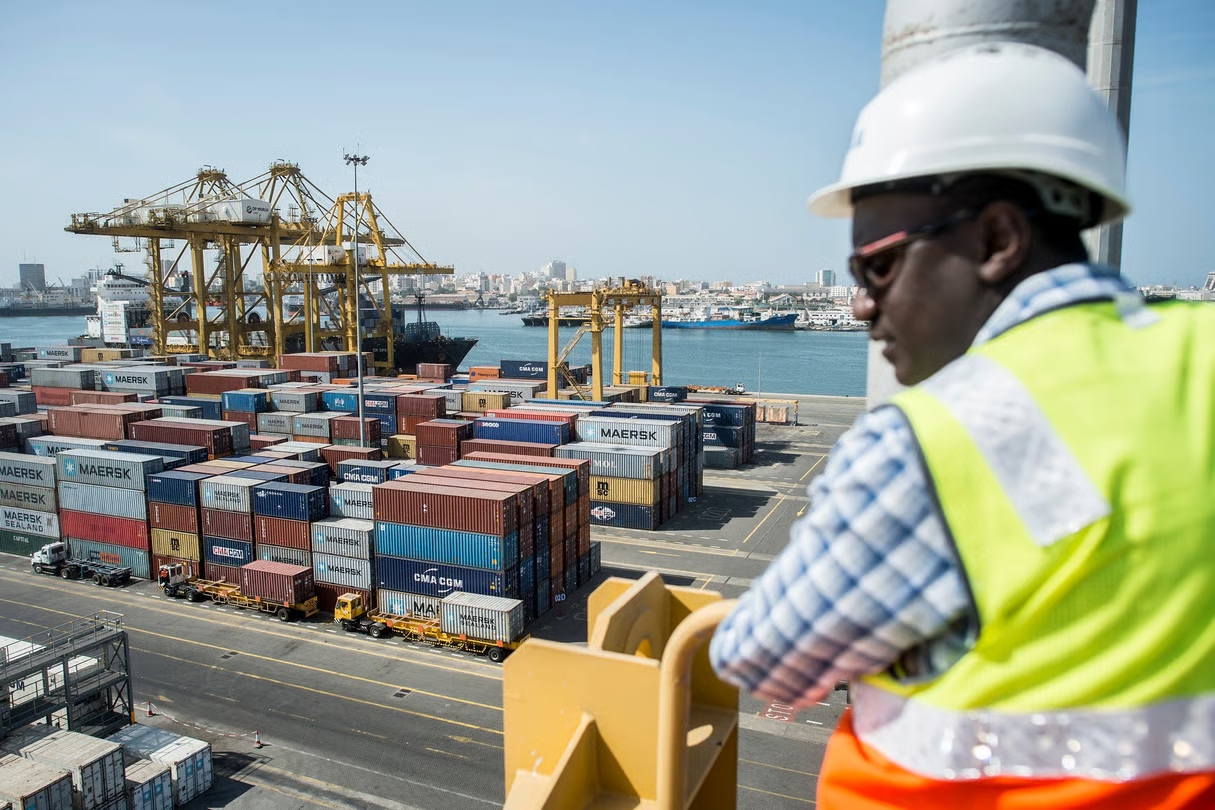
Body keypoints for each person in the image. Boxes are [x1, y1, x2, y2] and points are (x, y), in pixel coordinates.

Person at [709, 41, 1215, 809]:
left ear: (995, 240)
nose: (859, 306)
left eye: (876, 267)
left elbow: (764, 658)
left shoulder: (936, 441)